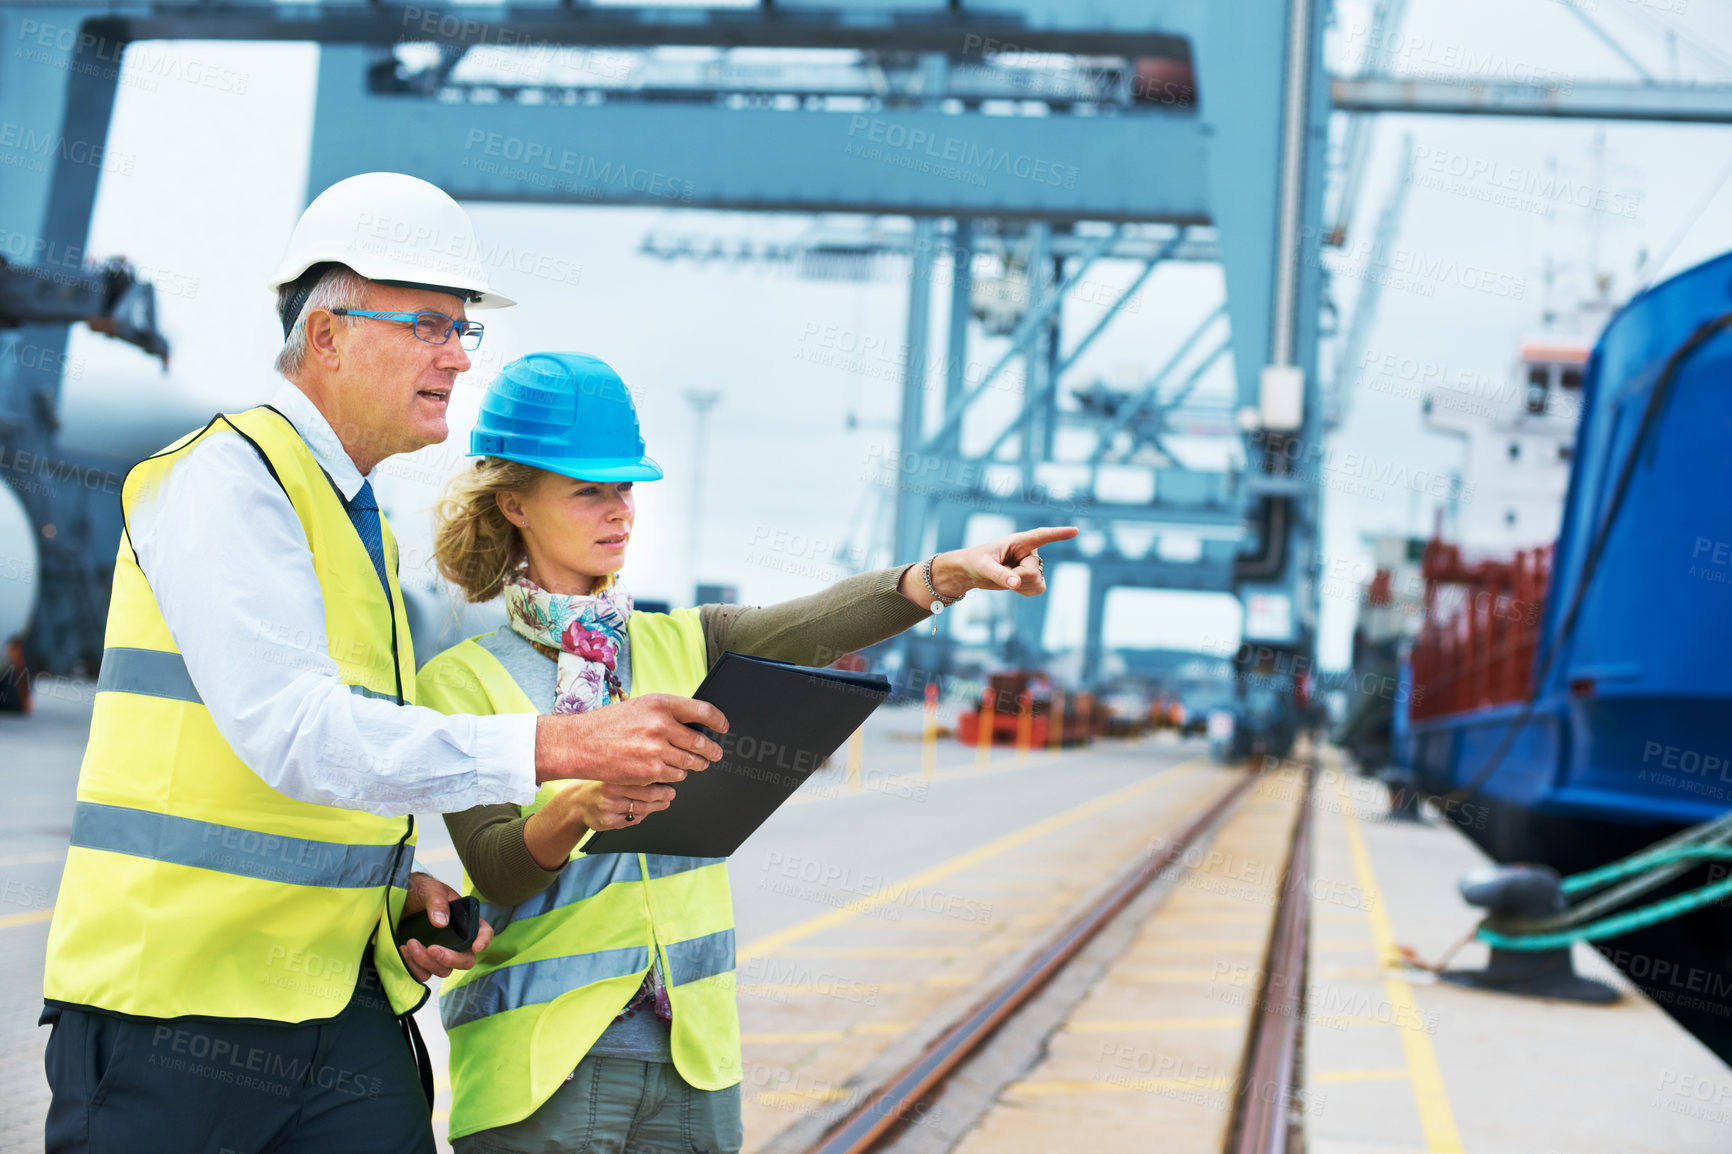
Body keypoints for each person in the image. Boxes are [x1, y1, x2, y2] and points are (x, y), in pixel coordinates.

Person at [39, 174, 728, 1154]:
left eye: (461, 330)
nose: (456, 356)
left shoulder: (361, 525)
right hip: (178, 1011)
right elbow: (296, 732)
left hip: (338, 1003)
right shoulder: (220, 481)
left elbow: (328, 777)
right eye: (426, 325)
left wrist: (390, 887)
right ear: (326, 335)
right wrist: (562, 741)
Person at [417, 350, 1075, 1152]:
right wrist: (579, 808)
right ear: (514, 504)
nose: (619, 511)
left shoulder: (685, 643)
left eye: (626, 488)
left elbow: (815, 624)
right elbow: (493, 866)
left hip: (692, 1062)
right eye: (589, 491)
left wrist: (945, 575)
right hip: (544, 1067)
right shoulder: (462, 681)